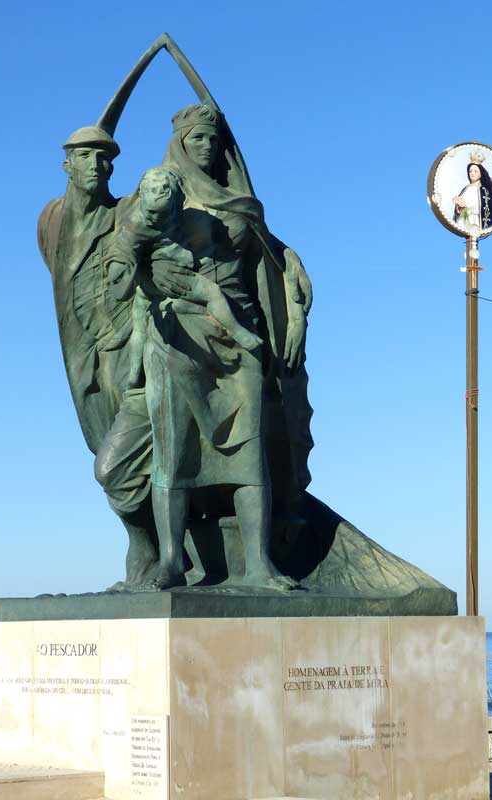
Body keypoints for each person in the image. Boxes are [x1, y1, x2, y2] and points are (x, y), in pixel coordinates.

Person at [128, 104, 313, 591]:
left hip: (239, 334)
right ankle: (172, 561)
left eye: (213, 139)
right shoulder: (158, 190)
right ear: (179, 142)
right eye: (196, 138)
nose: (206, 147)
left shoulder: (239, 200)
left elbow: (273, 255)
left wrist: (294, 307)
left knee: (250, 454)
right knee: (174, 451)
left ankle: (258, 564)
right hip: (179, 334)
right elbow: (125, 255)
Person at [37, 126, 157, 587]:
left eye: (104, 158)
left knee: (118, 461)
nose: (97, 165)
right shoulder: (51, 220)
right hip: (82, 358)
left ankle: (149, 549)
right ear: (67, 165)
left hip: (127, 348)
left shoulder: (127, 211)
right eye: (85, 156)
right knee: (102, 448)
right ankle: (155, 549)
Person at [105, 165, 264, 388]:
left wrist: (120, 271)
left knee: (139, 323)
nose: (154, 219)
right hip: (174, 276)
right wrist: (119, 272)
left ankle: (133, 374)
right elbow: (123, 253)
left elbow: (123, 252)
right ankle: (237, 330)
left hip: (149, 286)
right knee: (212, 292)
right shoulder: (147, 219)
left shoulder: (139, 219)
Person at [453, 161, 492, 232]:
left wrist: (466, 205)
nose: (472, 173)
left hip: (477, 221)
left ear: (481, 173)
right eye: (470, 171)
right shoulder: (465, 189)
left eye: (475, 171)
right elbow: (459, 211)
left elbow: (487, 207)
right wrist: (458, 206)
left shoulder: (485, 191)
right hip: (464, 221)